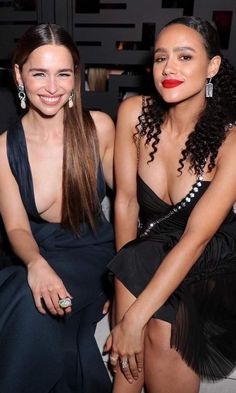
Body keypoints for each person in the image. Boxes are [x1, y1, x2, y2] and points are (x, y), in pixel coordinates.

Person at [104, 16, 236, 393]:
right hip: (148, 248)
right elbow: (126, 204)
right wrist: (121, 289)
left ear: (212, 67)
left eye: (184, 57)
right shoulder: (133, 114)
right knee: (135, 259)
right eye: (161, 58)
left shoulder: (231, 141)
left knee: (161, 332)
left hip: (211, 256)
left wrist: (132, 319)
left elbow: (195, 238)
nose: (169, 69)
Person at [0, 23, 115, 393]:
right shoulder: (3, 148)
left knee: (26, 301)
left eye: (63, 73)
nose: (52, 87)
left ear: (76, 75)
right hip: (37, 255)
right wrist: (35, 264)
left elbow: (131, 205)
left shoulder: (98, 129)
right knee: (23, 290)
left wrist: (125, 281)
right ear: (19, 74)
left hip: (91, 257)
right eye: (39, 73)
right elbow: (17, 227)